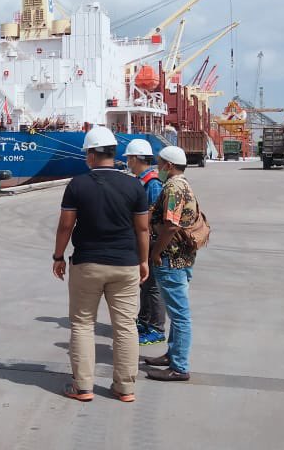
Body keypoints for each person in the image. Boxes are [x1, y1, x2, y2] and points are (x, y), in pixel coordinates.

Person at [52, 126, 150, 403]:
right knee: (126, 326)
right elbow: (142, 230)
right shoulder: (134, 184)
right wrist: (143, 260)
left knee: (83, 324)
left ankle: (83, 386)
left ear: (92, 155)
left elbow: (65, 225)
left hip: (88, 263)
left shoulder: (77, 185)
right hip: (126, 264)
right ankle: (125, 387)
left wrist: (58, 256)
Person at [143, 145, 199, 382]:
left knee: (180, 315)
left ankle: (179, 367)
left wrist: (156, 252)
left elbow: (172, 225)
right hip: (180, 257)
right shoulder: (183, 184)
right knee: (178, 312)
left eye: (159, 163)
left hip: (171, 258)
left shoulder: (174, 187)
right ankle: (172, 355)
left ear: (168, 165)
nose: (158, 167)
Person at [124, 138, 166, 347]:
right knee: (145, 284)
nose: (127, 163)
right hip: (143, 239)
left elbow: (154, 216)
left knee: (153, 287)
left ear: (135, 158)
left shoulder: (153, 184)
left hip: (150, 241)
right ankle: (145, 320)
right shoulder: (143, 180)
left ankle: (157, 328)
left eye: (129, 158)